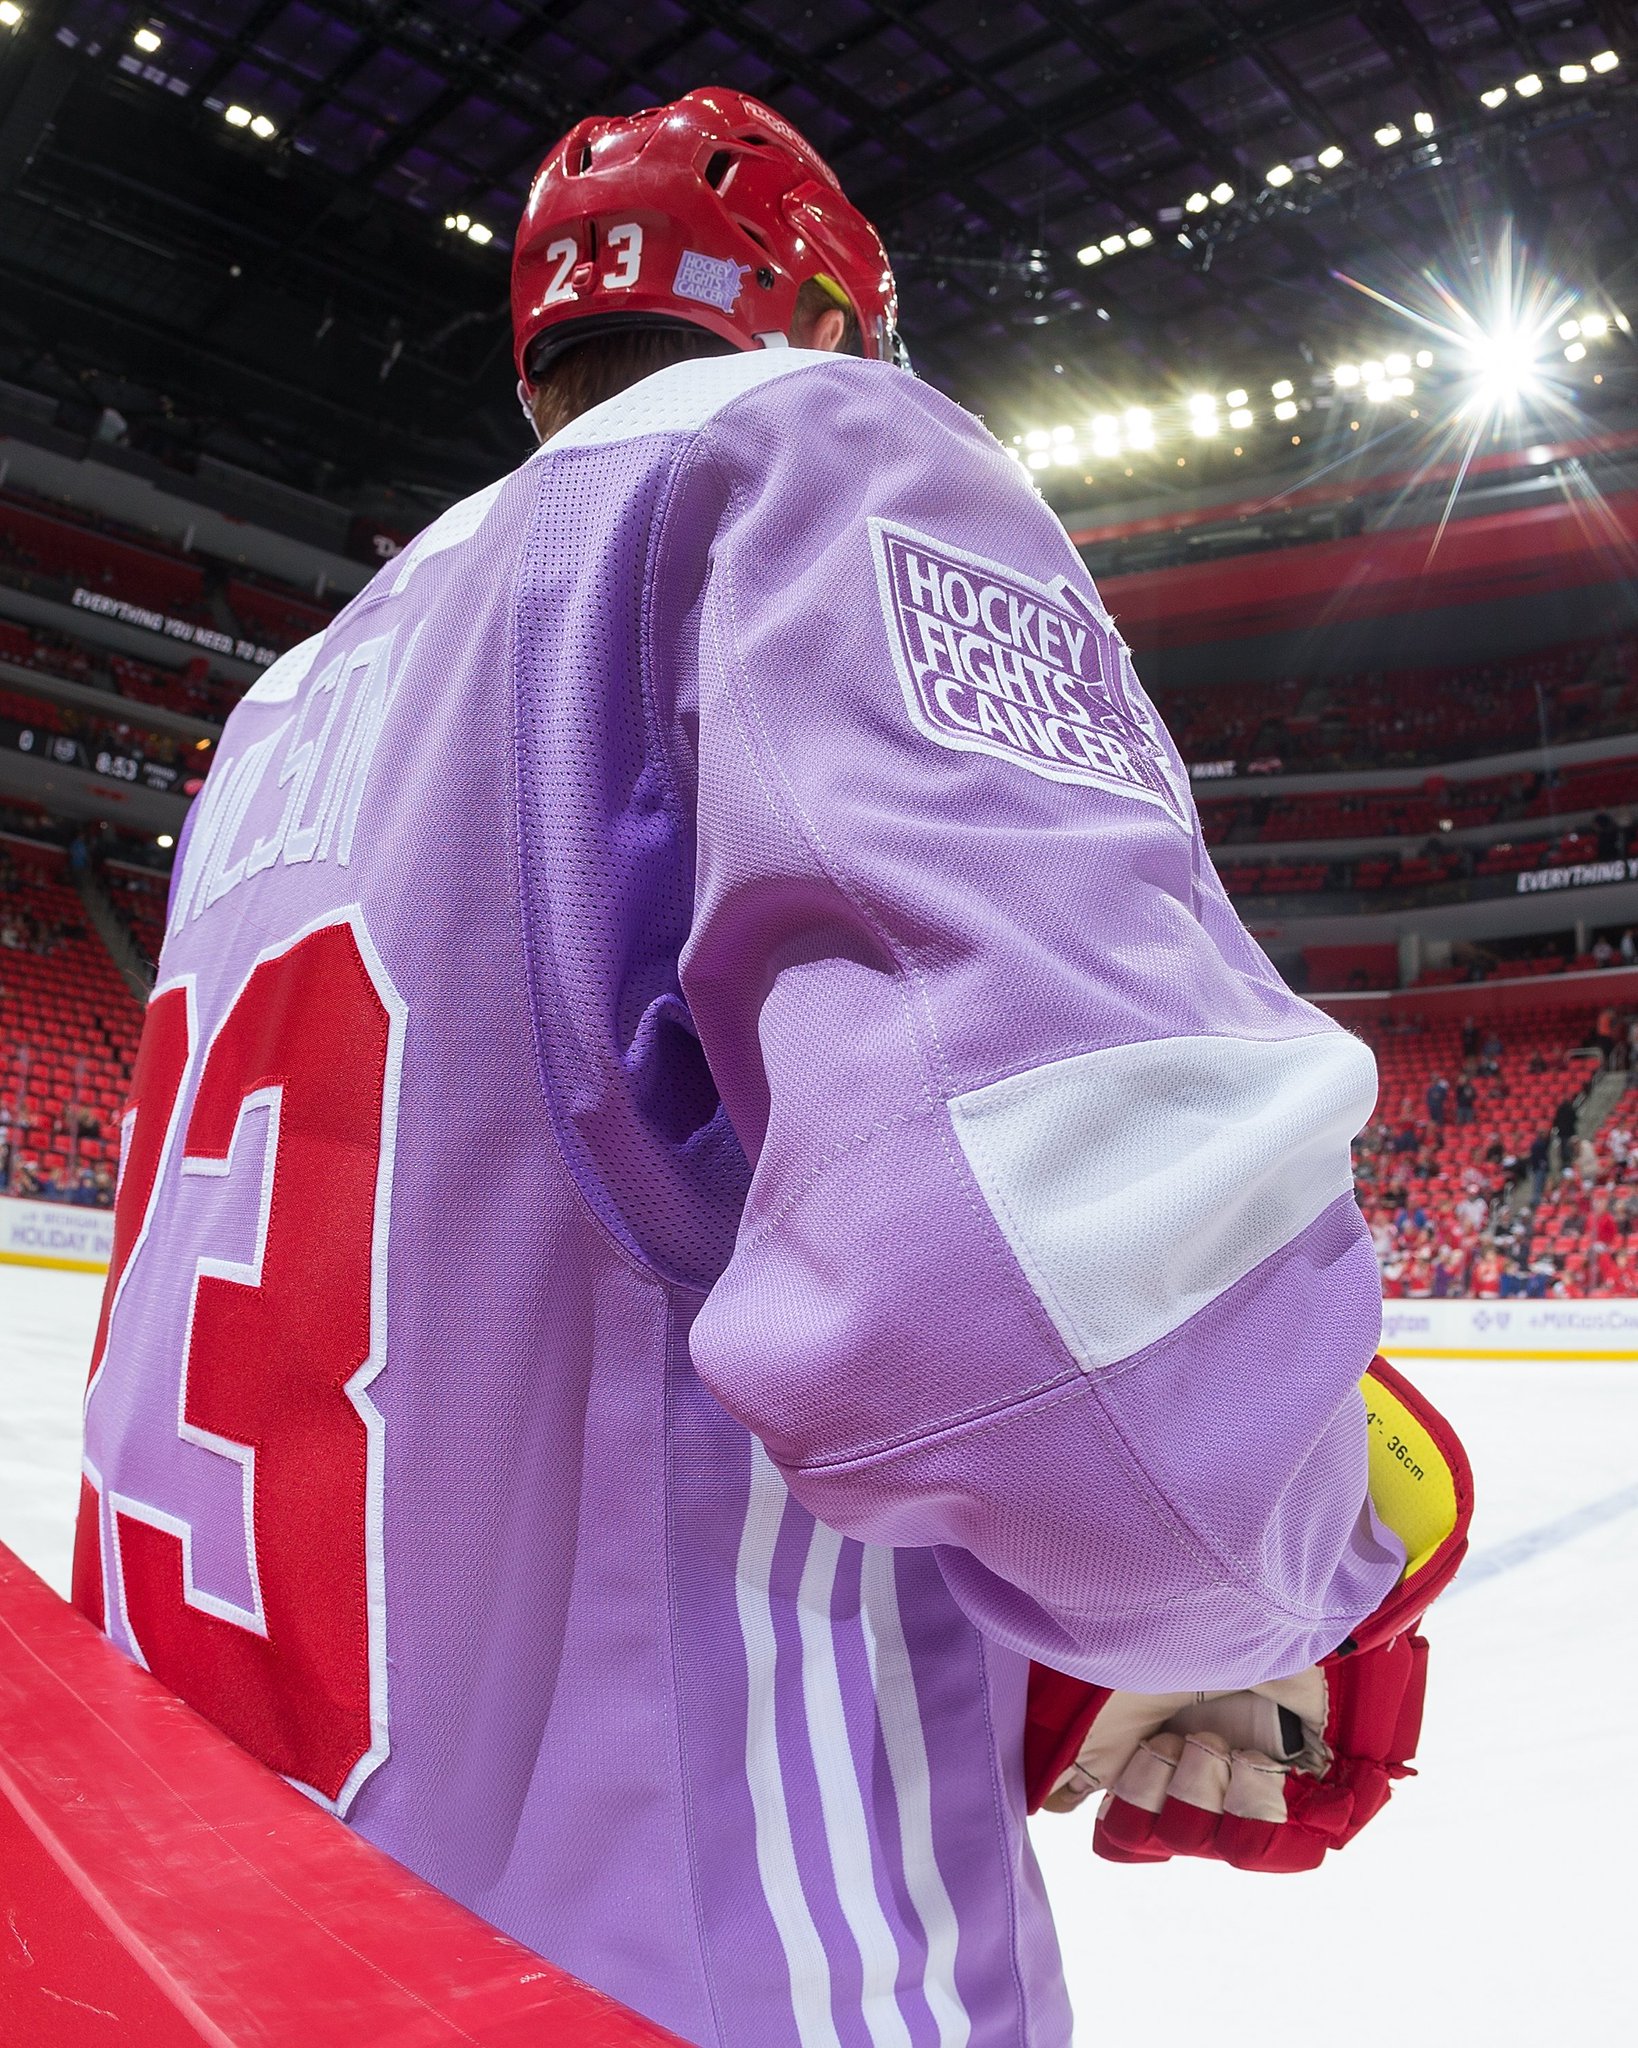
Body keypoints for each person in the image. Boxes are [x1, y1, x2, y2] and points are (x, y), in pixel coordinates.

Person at [70, 89, 1456, 2046]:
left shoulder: (291, 699)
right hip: (689, 1970)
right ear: (831, 316)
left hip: (250, 1941)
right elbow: (1071, 1325)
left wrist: (1071, 1665)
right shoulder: (811, 454)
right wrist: (1316, 1581)